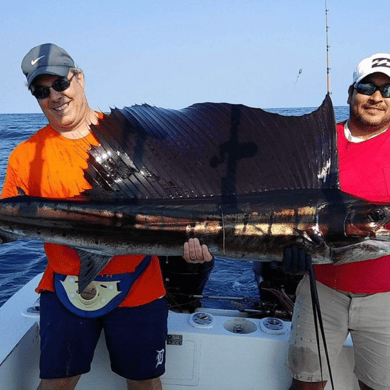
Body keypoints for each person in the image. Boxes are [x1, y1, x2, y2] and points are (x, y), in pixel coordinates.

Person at [2, 43, 213, 390]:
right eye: (42, 91)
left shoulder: (135, 138)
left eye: (60, 84)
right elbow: (6, 225)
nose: (54, 96)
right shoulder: (26, 156)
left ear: (79, 78)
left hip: (140, 286)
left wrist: (195, 247)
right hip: (65, 285)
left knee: (144, 382)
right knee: (56, 382)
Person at [287, 53, 390, 390]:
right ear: (350, 92)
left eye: (388, 90)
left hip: (384, 298)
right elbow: (289, 208)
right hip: (322, 287)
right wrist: (288, 247)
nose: (377, 97)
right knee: (306, 384)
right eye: (367, 87)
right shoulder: (316, 144)